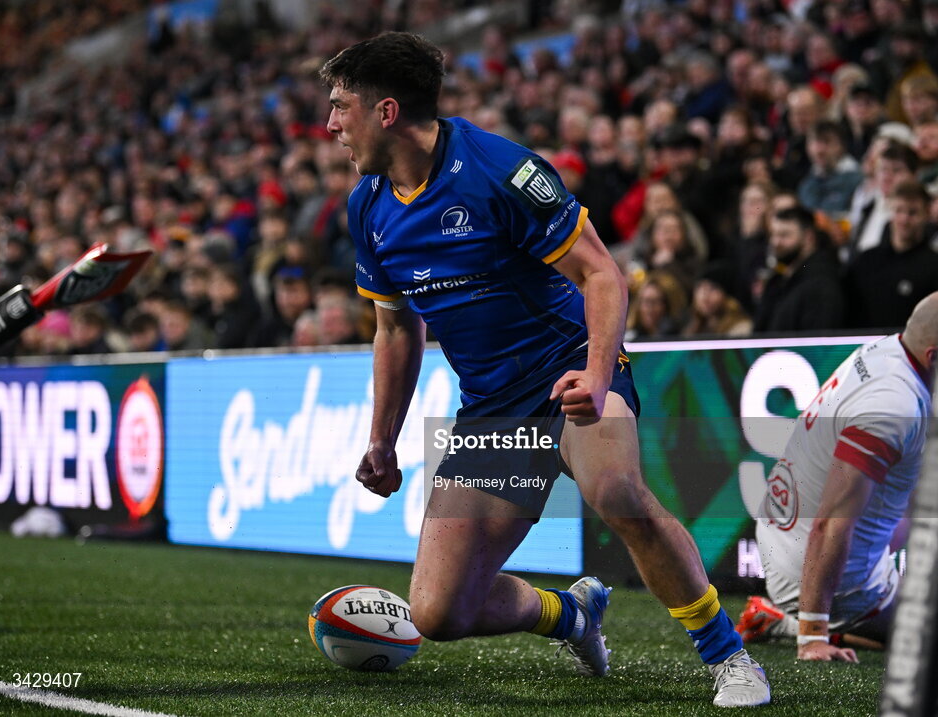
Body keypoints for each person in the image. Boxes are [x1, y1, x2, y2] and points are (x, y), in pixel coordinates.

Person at [321, 32, 770, 707]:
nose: (330, 125)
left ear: (386, 112)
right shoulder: (368, 205)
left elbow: (602, 274)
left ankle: (728, 655)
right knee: (438, 612)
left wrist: (596, 374)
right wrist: (382, 439)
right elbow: (395, 327)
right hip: (494, 410)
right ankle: (571, 614)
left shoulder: (501, 171)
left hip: (570, 372)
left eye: (340, 107)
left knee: (616, 490)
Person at [736, 291, 938, 661]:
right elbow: (832, 521)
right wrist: (812, 635)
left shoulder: (887, 350)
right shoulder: (893, 407)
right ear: (935, 356)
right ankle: (796, 623)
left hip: (782, 531)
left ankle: (792, 617)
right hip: (815, 568)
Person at [844, 179, 938, 329]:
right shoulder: (865, 261)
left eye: (912, 213)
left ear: (927, 214)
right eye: (899, 211)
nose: (904, 219)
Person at [752, 206, 845, 334]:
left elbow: (819, 341)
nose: (775, 242)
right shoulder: (780, 279)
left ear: (808, 237)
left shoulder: (822, 283)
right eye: (773, 234)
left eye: (784, 235)